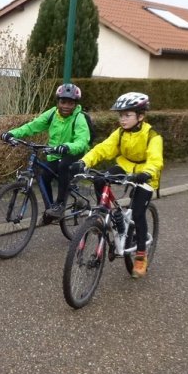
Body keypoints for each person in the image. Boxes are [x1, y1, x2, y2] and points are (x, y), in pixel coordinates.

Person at [71, 92, 163, 279]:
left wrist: (146, 173)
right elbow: (103, 148)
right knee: (99, 179)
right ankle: (110, 212)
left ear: (141, 116)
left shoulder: (153, 136)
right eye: (121, 115)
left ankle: (140, 255)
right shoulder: (120, 133)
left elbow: (156, 159)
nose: (122, 119)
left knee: (138, 214)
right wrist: (84, 162)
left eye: (127, 115)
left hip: (145, 175)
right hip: (125, 166)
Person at [0, 83, 91, 220]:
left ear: (75, 104)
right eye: (63, 102)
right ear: (58, 102)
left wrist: (67, 146)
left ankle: (59, 205)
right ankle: (50, 210)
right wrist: (11, 134)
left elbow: (82, 141)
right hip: (55, 153)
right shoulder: (52, 114)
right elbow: (32, 126)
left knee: (63, 166)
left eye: (70, 103)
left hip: (74, 153)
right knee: (43, 175)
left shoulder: (79, 118)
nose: (66, 106)